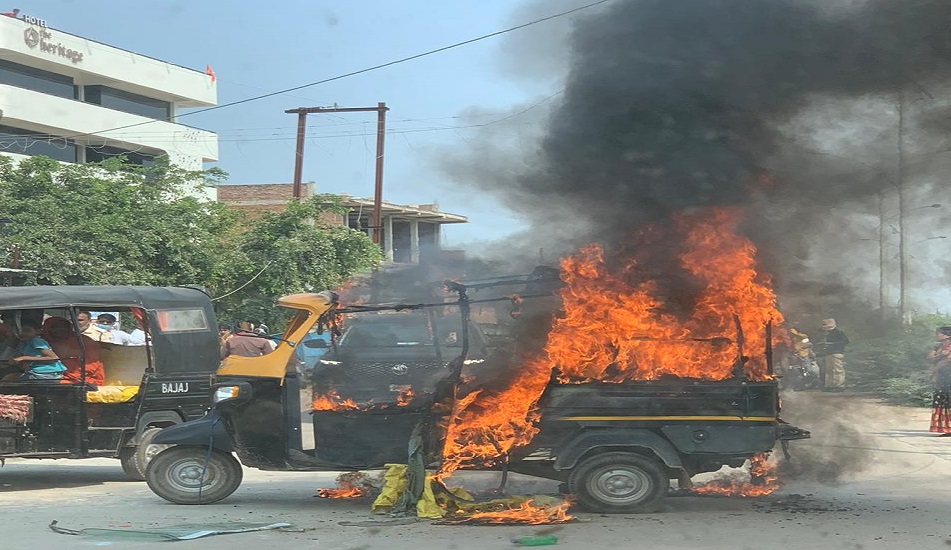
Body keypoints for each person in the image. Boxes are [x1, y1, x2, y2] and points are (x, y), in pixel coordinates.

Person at [42, 316, 105, 386]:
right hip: (47, 376)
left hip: (82, 379)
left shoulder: (84, 342)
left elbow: (91, 367)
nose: (59, 330)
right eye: (54, 327)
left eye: (63, 327)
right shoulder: (41, 341)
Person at [2, 321, 67, 381]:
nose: (22, 333)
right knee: (8, 379)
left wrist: (25, 358)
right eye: (19, 331)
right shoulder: (23, 343)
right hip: (34, 372)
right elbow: (19, 356)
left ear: (38, 331)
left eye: (27, 330)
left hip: (47, 373)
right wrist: (14, 360)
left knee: (12, 385)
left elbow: (53, 358)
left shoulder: (36, 341)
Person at [927, 326, 951, 436]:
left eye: (938, 333)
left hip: (948, 375)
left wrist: (933, 372)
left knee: (948, 401)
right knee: (943, 401)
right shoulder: (938, 347)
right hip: (942, 376)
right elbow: (931, 358)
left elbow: (945, 361)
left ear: (947, 335)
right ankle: (947, 428)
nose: (936, 335)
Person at [815, 317, 849, 390]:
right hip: (827, 354)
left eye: (825, 324)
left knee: (836, 370)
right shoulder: (822, 333)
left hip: (836, 353)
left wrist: (832, 344)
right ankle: (830, 385)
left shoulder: (838, 332)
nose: (824, 326)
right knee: (829, 371)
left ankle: (838, 385)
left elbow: (845, 341)